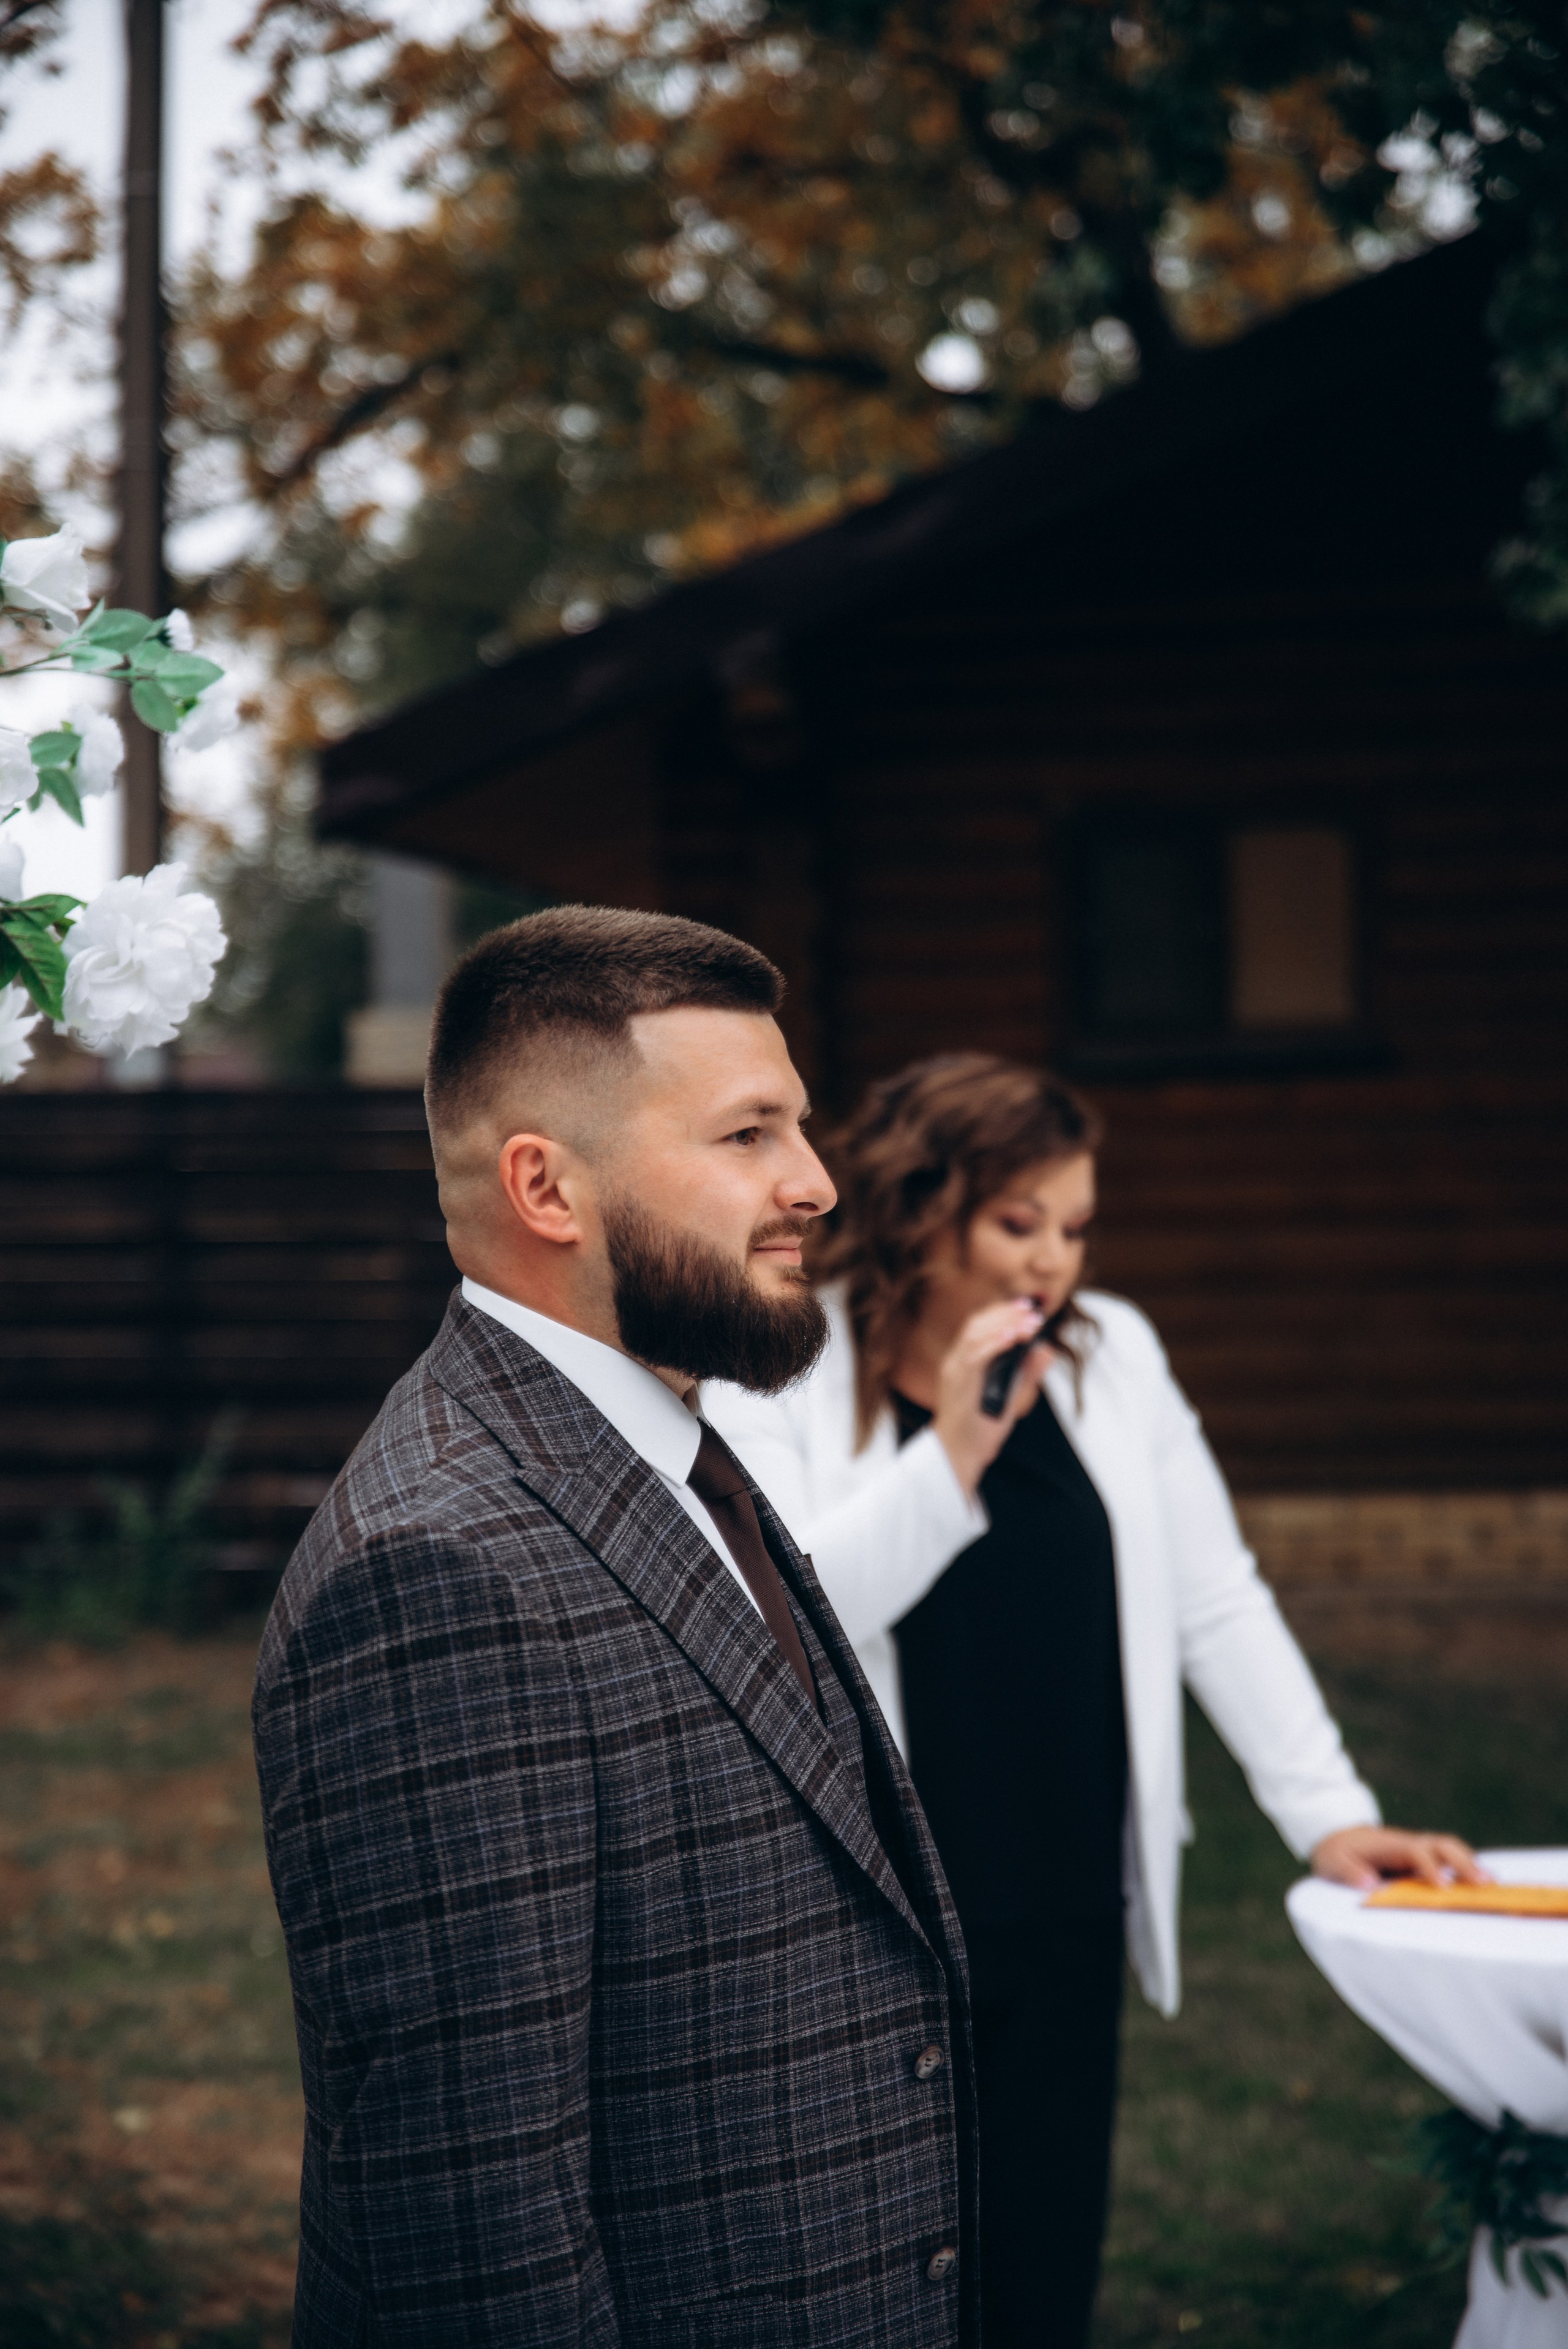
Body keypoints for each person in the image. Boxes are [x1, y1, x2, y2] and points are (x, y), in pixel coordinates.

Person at [253, 910, 981, 2348]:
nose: (817, 1184)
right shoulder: (436, 1574)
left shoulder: (663, 1449)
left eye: (802, 1129)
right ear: (548, 1186)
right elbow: (470, 2227)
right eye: (747, 1136)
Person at [704, 1051, 1483, 2349]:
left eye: (1073, 1227)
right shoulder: (785, 1353)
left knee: (1036, 2273)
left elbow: (1213, 1595)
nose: (1049, 1263)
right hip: (882, 1907)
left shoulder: (1112, 1357)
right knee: (873, 2277)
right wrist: (950, 1451)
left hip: (1067, 1890)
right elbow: (787, 1621)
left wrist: (1326, 1812)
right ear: (921, 1204)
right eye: (1017, 1224)